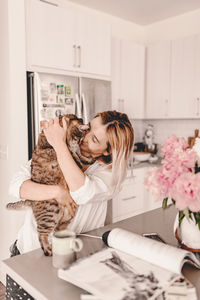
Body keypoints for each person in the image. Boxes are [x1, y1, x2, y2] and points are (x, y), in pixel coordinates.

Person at [9, 110, 134, 255]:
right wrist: (58, 192)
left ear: (108, 151)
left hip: (73, 255)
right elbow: (16, 185)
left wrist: (59, 144)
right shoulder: (63, 149)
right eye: (88, 127)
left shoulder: (110, 174)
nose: (84, 136)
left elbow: (81, 192)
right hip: (28, 250)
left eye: (94, 139)